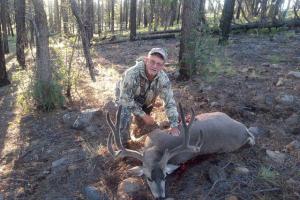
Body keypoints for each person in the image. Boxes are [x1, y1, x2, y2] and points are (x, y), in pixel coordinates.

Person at [115, 48, 180, 144]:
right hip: (125, 98)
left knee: (144, 124)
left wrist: (174, 125)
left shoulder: (163, 79)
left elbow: (169, 102)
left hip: (145, 101)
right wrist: (144, 115)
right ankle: (123, 143)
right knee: (124, 114)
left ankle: (139, 123)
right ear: (146, 60)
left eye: (159, 64)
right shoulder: (132, 73)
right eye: (152, 61)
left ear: (162, 66)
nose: (154, 66)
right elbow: (125, 99)